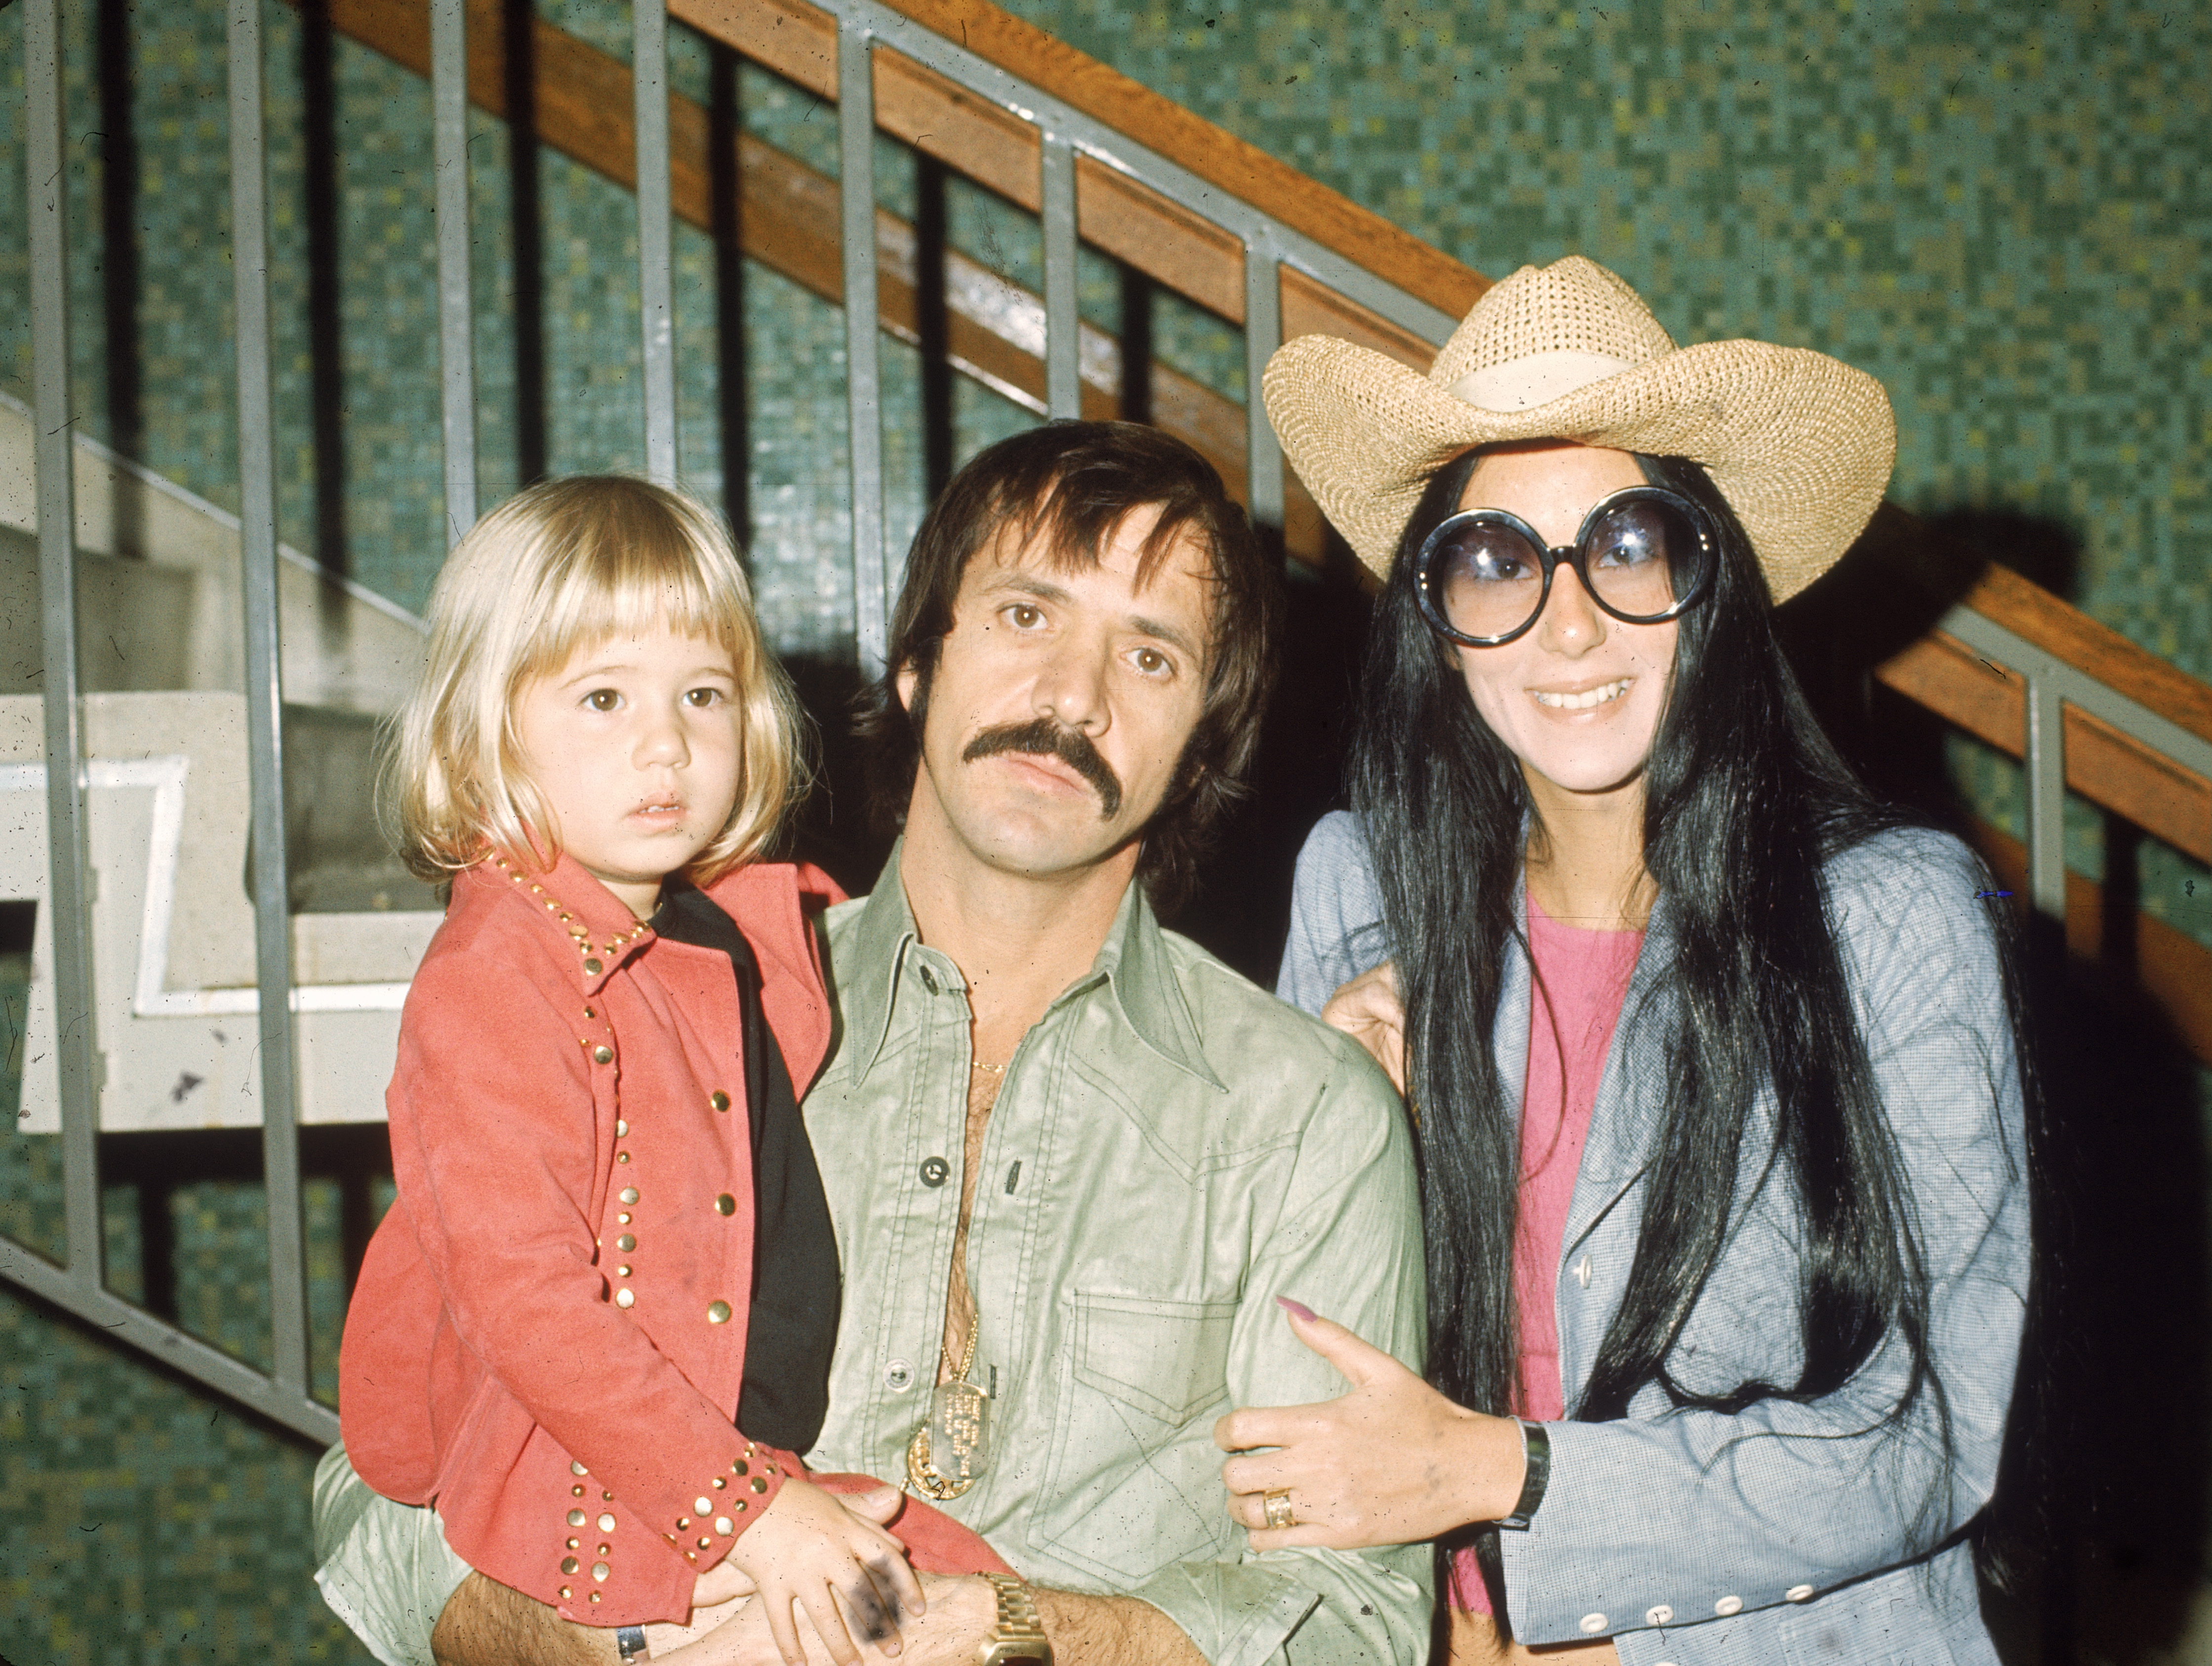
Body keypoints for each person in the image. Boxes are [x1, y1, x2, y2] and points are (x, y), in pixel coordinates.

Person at [314, 424, 1433, 1666]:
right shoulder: (670, 998)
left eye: (1152, 656)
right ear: (918, 664)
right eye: (1024, 616)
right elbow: (391, 1474)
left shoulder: (1308, 1116)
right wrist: (589, 1649)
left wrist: (1020, 1634)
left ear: (1203, 744)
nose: (1074, 695)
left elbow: (1358, 1617)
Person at [1218, 256, 2030, 1664]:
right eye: (1495, 561)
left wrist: (1511, 1475)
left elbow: (1930, 1435)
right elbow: (1283, 1384)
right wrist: (1316, 1133)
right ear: (1436, 615)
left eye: (1629, 542)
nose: (1571, 620)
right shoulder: (1360, 890)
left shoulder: (1894, 916)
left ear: (1705, 574)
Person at [322, 478, 1005, 1666]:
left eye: (703, 694)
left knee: (976, 1596)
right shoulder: (498, 971)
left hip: (727, 1458)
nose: (665, 743)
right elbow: (529, 1306)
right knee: (895, 1622)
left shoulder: (710, 924)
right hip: (605, 1484)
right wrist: (750, 1512)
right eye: (602, 697)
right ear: (487, 731)